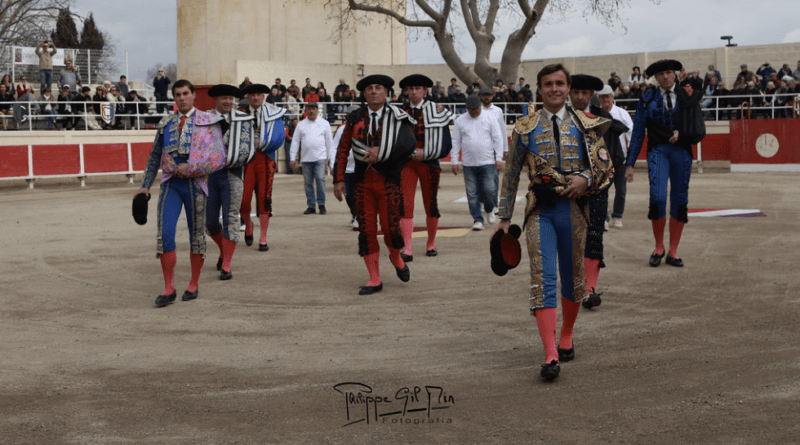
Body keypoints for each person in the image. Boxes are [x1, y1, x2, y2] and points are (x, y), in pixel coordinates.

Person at [494, 64, 613, 381]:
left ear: (568, 86)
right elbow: (512, 174)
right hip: (540, 209)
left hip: (574, 210)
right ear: (539, 89)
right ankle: (550, 355)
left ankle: (567, 335)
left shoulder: (587, 123)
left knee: (573, 277)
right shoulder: (524, 127)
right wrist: (504, 217)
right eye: (548, 84)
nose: (554, 89)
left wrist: (584, 180)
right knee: (543, 277)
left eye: (560, 83)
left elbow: (605, 166)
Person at [134, 79, 226, 307]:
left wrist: (192, 167)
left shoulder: (209, 121)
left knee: (196, 235)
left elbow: (218, 157)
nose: (182, 98)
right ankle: (169, 287)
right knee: (165, 234)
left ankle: (193, 284)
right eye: (178, 95)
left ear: (194, 95)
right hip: (171, 184)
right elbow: (155, 156)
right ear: (173, 98)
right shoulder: (166, 124)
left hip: (196, 184)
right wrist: (145, 185)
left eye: (186, 93)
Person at [332, 74, 416, 295]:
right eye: (369, 88)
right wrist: (339, 179)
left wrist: (384, 151)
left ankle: (396, 257)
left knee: (390, 228)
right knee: (367, 230)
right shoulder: (355, 118)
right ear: (364, 93)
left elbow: (409, 144)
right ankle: (374, 278)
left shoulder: (398, 115)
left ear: (386, 92)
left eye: (378, 88)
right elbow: (342, 150)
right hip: (361, 183)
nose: (373, 91)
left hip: (388, 181)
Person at [626, 59, 705, 269]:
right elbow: (638, 131)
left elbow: (698, 125)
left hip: (682, 152)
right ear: (656, 78)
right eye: (661, 74)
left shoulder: (688, 94)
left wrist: (684, 133)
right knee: (658, 198)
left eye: (669, 73)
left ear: (676, 74)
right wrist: (630, 163)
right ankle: (659, 246)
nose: (665, 77)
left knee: (680, 200)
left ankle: (673, 251)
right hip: (658, 151)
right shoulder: (647, 98)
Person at [397, 74, 454, 260]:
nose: (414, 92)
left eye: (418, 88)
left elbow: (446, 144)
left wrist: (426, 153)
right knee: (406, 204)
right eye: (411, 89)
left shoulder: (438, 110)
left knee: (431, 204)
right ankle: (407, 247)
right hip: (407, 164)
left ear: (424, 91)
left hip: (429, 164)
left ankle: (431, 243)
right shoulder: (398, 112)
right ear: (406, 91)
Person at [206, 84, 255, 280]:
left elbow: (248, 145)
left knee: (231, 218)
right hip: (210, 175)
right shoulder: (205, 118)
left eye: (231, 98)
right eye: (223, 98)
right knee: (209, 222)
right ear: (215, 100)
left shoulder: (243, 119)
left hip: (233, 174)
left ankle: (226, 264)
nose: (228, 101)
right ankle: (223, 250)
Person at [238, 83, 287, 251]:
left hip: (266, 158)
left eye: (258, 94)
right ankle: (248, 225)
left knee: (264, 198)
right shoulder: (240, 113)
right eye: (252, 95)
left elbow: (279, 137)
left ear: (263, 96)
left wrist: (261, 143)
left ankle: (263, 237)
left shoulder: (274, 112)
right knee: (243, 199)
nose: (255, 98)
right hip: (245, 160)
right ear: (248, 97)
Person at [451, 95, 504, 231]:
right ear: (467, 109)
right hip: (468, 163)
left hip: (487, 161)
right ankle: (477, 219)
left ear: (480, 106)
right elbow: (456, 141)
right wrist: (454, 160)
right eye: (471, 110)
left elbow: (497, 138)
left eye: (476, 109)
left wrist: (499, 158)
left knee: (489, 189)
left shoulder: (490, 118)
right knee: (472, 193)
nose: (474, 112)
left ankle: (489, 208)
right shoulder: (460, 120)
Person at [290, 102, 335, 215]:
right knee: (308, 183)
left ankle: (321, 204)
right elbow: (295, 141)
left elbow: (330, 143)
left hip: (320, 157)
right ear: (306, 110)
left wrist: (332, 161)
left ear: (317, 110)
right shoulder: (301, 125)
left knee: (320, 179)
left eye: (313, 109)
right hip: (306, 159)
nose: (311, 111)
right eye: (309, 109)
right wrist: (292, 157)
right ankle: (311, 205)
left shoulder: (324, 123)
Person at [333, 105, 360, 230]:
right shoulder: (341, 129)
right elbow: (336, 148)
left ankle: (358, 216)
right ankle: (355, 214)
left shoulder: (365, 126)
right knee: (349, 195)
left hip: (361, 167)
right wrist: (335, 165)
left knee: (360, 194)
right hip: (347, 168)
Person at [479, 87, 509, 159]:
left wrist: (505, 149)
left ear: (492, 97)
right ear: (481, 96)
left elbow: (502, 129)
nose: (486, 97)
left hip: (495, 147)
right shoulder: (477, 111)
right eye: (484, 95)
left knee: (494, 169)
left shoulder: (498, 111)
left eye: (488, 95)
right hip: (481, 148)